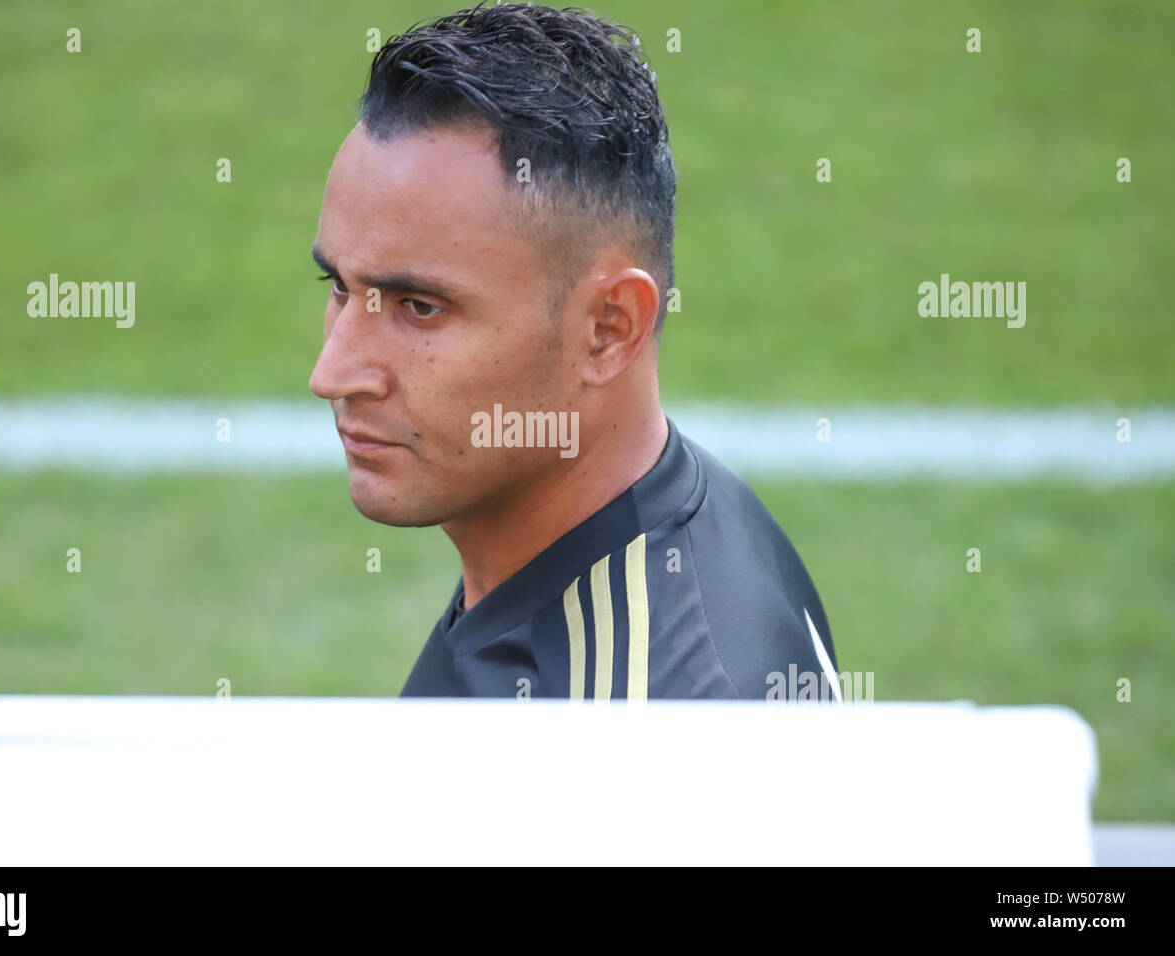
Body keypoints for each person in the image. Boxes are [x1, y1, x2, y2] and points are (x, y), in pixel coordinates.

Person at [309, 3, 839, 700]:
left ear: (608, 329)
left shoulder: (631, 732)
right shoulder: (619, 541)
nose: (332, 374)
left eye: (420, 307)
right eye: (340, 288)